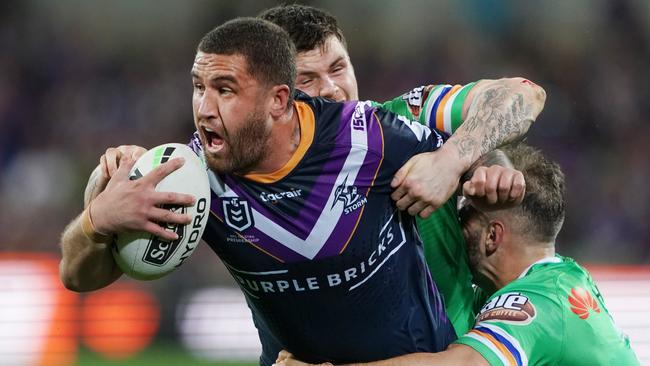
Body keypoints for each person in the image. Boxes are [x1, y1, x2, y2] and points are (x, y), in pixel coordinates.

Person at [59, 18, 541, 366]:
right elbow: (79, 277)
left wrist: (459, 162)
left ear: (278, 99)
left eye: (224, 89)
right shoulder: (190, 176)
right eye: (198, 87)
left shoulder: (371, 134)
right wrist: (98, 221)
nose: (204, 108)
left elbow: (518, 99)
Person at [258, 4, 546, 336]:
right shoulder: (244, 171)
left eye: (338, 69)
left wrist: (449, 161)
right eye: (306, 79)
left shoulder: (407, 121)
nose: (331, 89)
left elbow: (522, 93)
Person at [274, 143, 641, 366]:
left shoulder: (533, 304)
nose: (456, 225)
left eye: (464, 215)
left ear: (492, 237)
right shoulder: (566, 277)